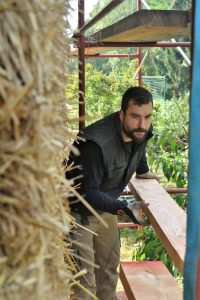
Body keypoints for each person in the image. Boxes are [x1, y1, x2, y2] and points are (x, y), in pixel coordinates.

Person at [66, 86, 156, 300]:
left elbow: (139, 146)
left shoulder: (141, 130)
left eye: (147, 116)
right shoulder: (95, 143)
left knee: (107, 272)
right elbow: (87, 194)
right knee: (84, 283)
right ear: (122, 114)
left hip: (106, 207)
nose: (142, 124)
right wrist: (123, 207)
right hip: (79, 213)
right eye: (135, 117)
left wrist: (143, 171)